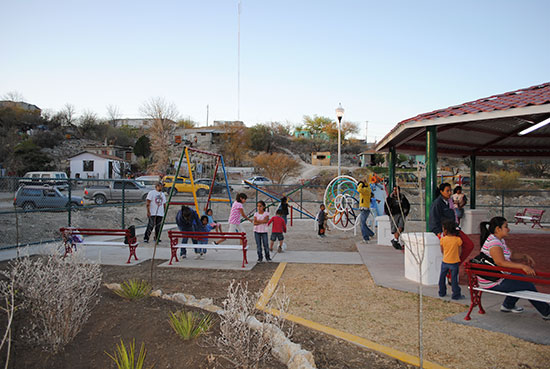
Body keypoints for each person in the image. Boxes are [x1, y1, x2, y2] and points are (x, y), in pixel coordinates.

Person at [479, 217, 550, 319]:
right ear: (498, 229)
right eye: (506, 227)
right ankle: (546, 312)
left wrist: (524, 256)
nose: (509, 229)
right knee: (527, 285)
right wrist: (522, 266)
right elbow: (500, 262)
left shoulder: (499, 240)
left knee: (521, 279)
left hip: (497, 276)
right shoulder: (494, 243)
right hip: (493, 280)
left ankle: (508, 305)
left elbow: (511, 254)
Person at [429, 182, 474, 271]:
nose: (449, 193)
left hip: (454, 229)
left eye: (450, 191)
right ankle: (450, 271)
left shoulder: (449, 202)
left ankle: (455, 266)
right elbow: (433, 220)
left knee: (469, 245)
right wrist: (439, 233)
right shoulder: (437, 204)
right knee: (451, 253)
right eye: (447, 191)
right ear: (441, 192)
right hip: (446, 232)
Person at [438, 219, 464, 300]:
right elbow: (460, 251)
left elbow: (442, 250)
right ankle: (456, 294)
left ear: (445, 230)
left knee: (442, 278)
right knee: (454, 279)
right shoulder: (458, 240)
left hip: (445, 261)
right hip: (454, 262)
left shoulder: (443, 239)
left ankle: (442, 292)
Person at [384, 186, 410, 250]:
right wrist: (389, 213)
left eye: (396, 190)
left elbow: (407, 205)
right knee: (394, 228)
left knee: (400, 226)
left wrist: (405, 211)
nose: (395, 191)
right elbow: (386, 207)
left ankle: (395, 240)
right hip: (394, 215)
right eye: (394, 190)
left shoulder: (402, 197)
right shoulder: (390, 198)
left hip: (401, 214)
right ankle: (395, 240)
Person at [357, 178, 375, 242]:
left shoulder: (364, 190)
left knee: (362, 224)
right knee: (363, 223)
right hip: (365, 208)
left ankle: (366, 238)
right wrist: (365, 183)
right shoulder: (368, 189)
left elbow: (359, 189)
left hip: (364, 208)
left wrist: (361, 183)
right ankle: (371, 234)